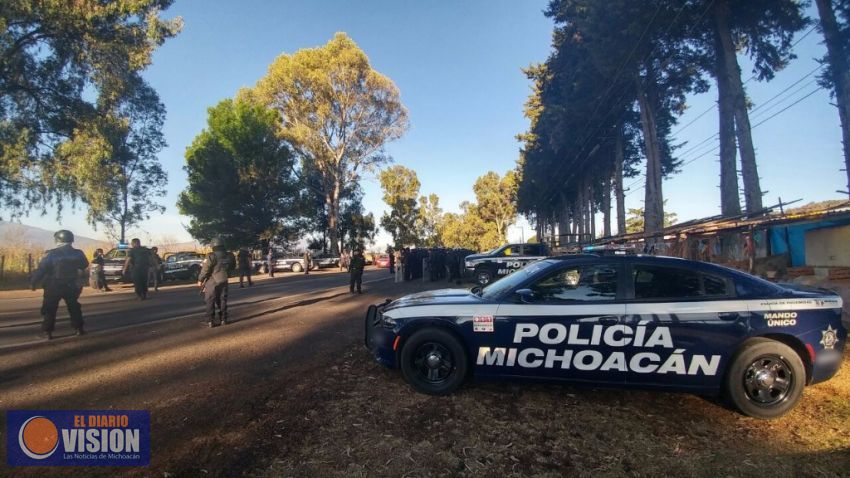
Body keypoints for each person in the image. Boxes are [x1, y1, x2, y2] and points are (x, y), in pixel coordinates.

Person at [30, 230, 89, 340]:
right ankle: (79, 329)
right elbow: (84, 264)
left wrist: (33, 282)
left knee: (50, 308)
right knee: (74, 307)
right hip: (71, 284)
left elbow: (42, 269)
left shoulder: (51, 253)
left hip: (54, 285)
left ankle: (47, 332)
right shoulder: (78, 253)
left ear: (58, 240)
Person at [198, 237, 236, 327]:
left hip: (212, 281)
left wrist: (200, 279)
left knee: (210, 300)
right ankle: (224, 319)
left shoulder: (211, 256)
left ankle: (210, 321)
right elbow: (233, 266)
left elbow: (205, 270)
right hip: (224, 279)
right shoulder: (230, 255)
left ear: (213, 245)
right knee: (222, 300)